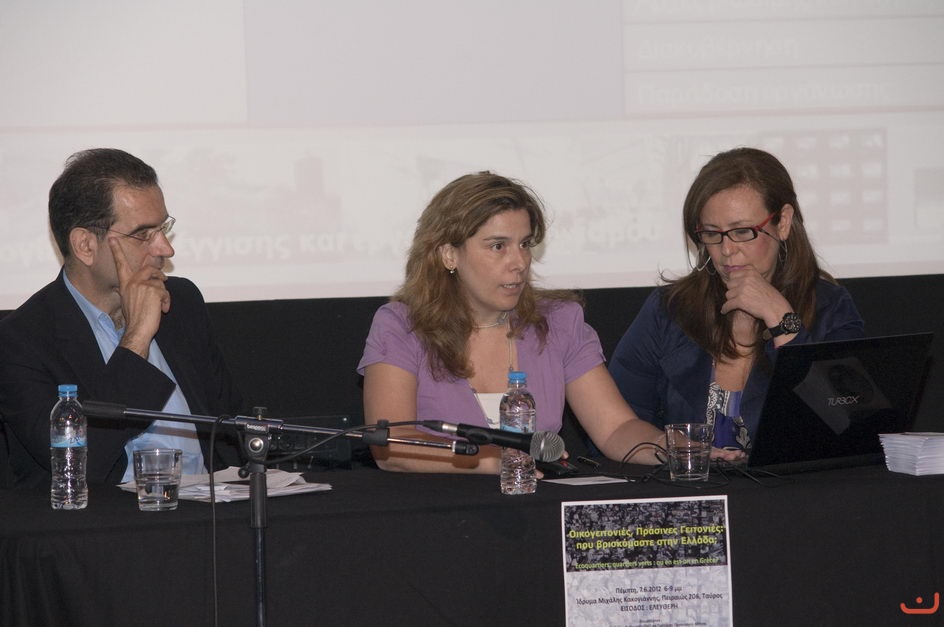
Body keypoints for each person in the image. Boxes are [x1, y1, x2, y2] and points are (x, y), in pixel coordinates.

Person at [358, 171, 737, 474]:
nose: (519, 261)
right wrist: (495, 462)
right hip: (440, 521)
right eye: (498, 246)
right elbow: (392, 448)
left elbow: (616, 429)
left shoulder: (559, 322)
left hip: (535, 515)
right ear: (448, 254)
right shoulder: (401, 327)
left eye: (525, 244)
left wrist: (674, 449)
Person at [0, 148, 244, 488]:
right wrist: (137, 337)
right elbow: (77, 465)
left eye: (163, 228)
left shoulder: (182, 302)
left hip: (209, 510)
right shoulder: (21, 341)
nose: (165, 248)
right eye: (143, 234)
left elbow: (231, 432)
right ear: (85, 246)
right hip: (106, 519)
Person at [609, 147, 865, 452]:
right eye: (712, 233)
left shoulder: (830, 307)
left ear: (783, 222)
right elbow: (615, 425)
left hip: (794, 483)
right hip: (690, 482)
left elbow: (848, 422)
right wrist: (668, 450)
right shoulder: (670, 309)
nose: (727, 250)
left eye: (742, 231)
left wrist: (781, 318)